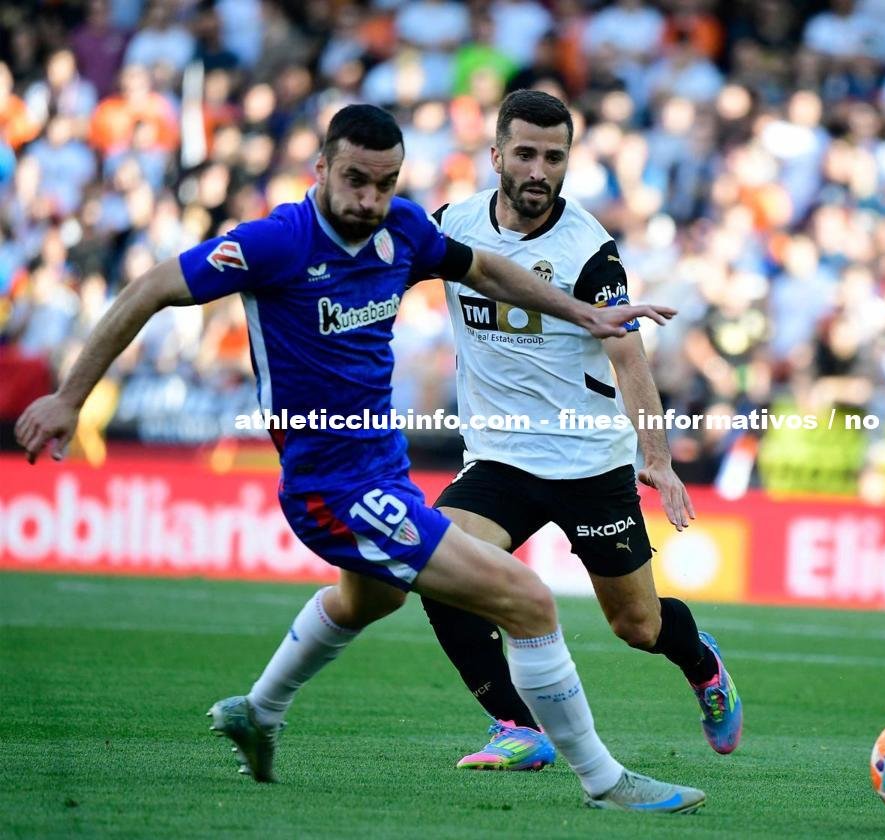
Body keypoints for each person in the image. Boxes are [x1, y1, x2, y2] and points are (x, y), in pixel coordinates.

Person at [14, 104, 705, 814]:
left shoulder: (404, 228)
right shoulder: (276, 243)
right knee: (527, 600)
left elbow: (488, 270)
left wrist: (583, 313)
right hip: (328, 486)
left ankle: (259, 710)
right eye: (355, 181)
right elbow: (151, 288)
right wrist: (70, 396)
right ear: (320, 170)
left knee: (367, 598)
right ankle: (605, 782)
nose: (369, 200)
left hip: (384, 472)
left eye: (384, 183)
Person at [424, 89, 742, 772]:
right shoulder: (451, 224)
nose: (539, 170)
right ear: (498, 156)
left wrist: (655, 459)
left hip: (589, 466)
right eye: (527, 154)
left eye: (554, 158)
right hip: (499, 461)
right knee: (438, 567)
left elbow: (627, 352)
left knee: (638, 626)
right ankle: (515, 723)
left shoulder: (590, 250)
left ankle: (702, 661)